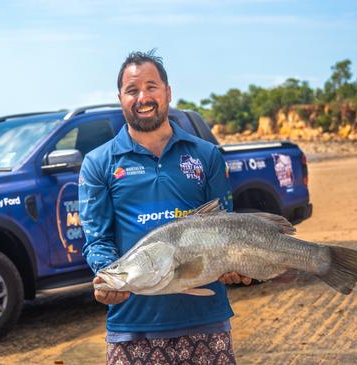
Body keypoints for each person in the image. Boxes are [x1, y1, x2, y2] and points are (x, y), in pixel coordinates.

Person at [78, 50, 251, 365]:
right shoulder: (98, 163)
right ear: (120, 98)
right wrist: (108, 278)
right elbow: (97, 240)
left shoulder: (206, 155)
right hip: (133, 327)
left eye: (151, 87)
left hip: (206, 322)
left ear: (168, 92)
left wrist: (235, 264)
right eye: (132, 90)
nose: (142, 97)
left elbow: (224, 228)